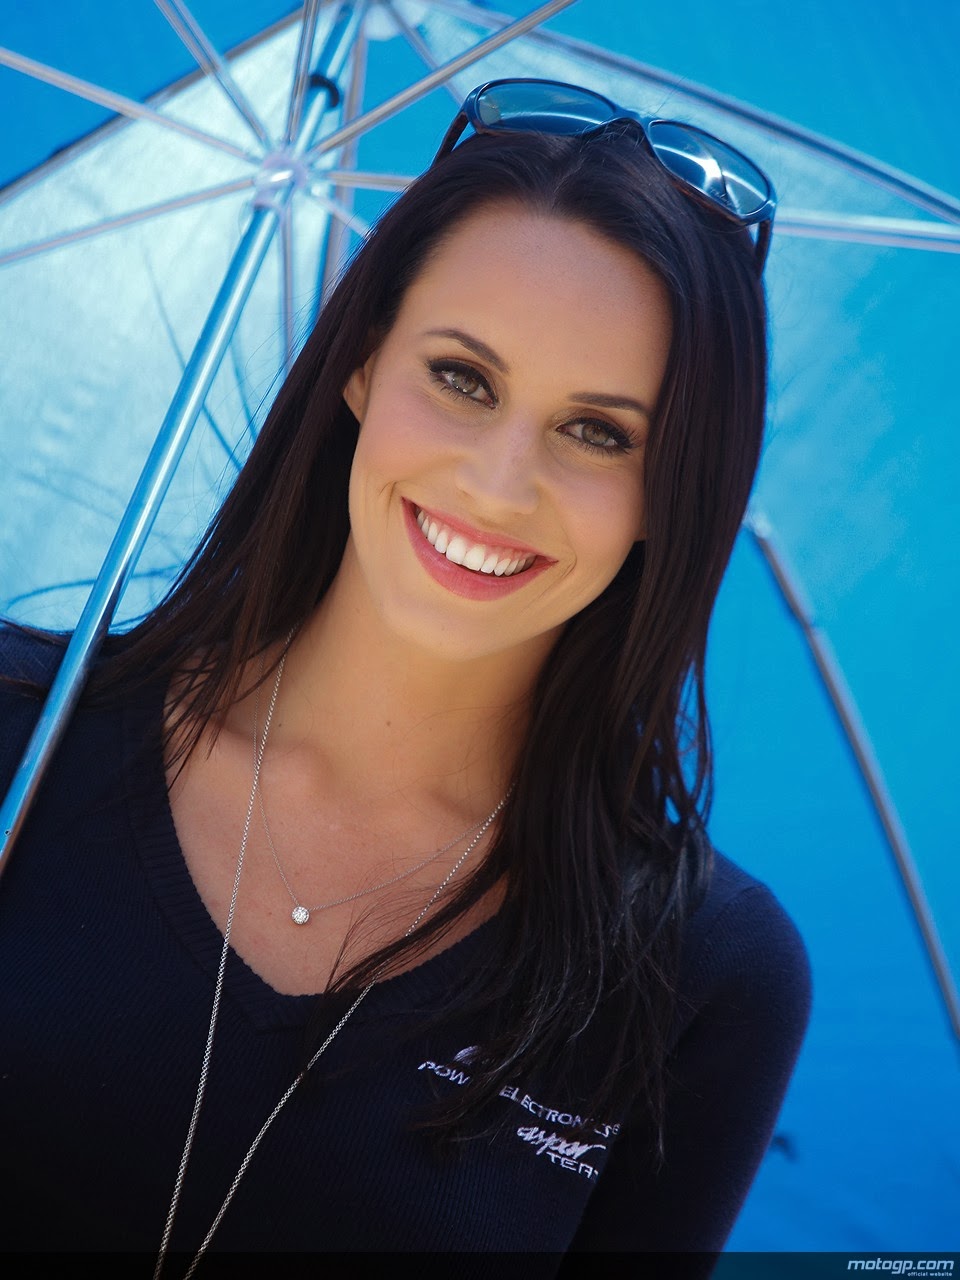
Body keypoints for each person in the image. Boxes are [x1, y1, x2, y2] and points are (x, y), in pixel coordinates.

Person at [0, 79, 810, 1274]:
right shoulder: (23, 740)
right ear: (365, 366)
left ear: (669, 490)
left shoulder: (703, 978)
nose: (497, 481)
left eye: (600, 431)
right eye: (463, 379)